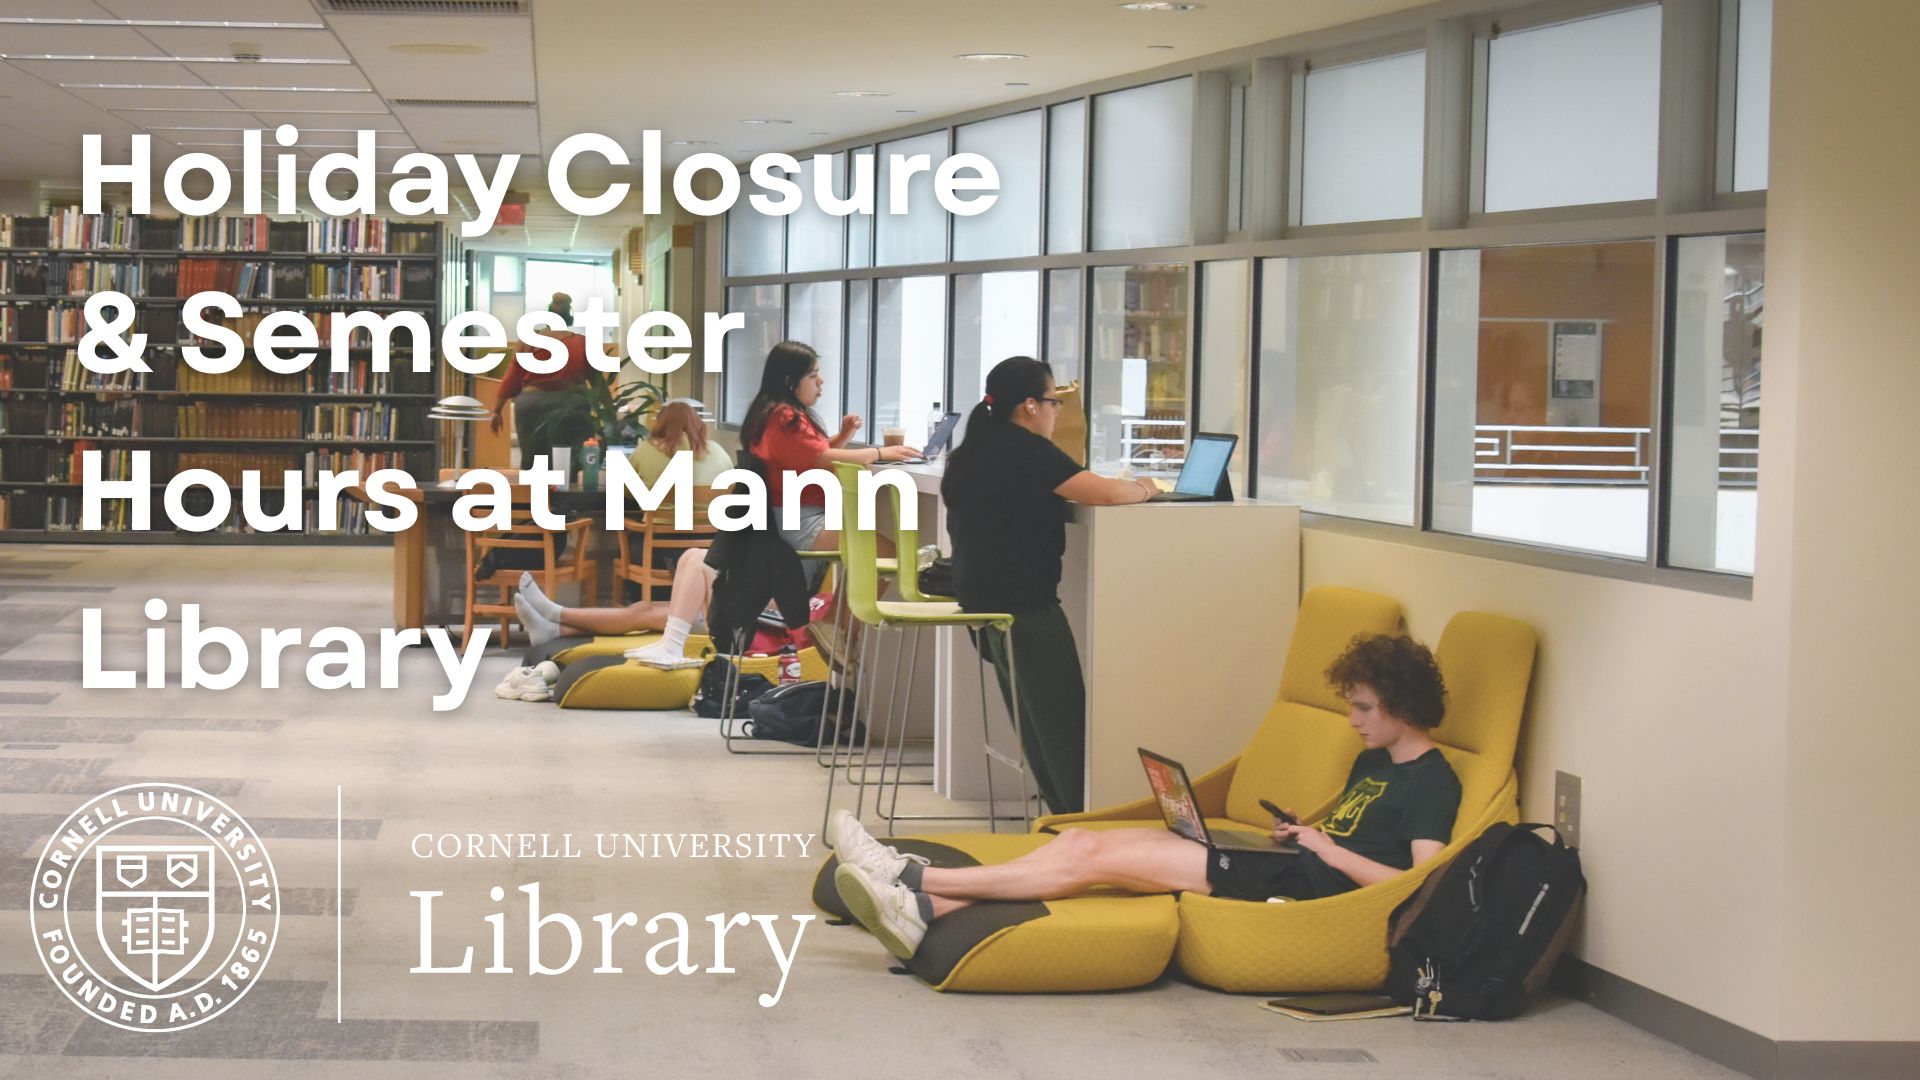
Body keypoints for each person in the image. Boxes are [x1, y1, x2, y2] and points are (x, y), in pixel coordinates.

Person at [830, 632, 1461, 962]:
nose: (1352, 719)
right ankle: (926, 909)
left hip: (1311, 890)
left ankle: (915, 880)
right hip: (1289, 862)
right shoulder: (1371, 760)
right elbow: (1349, 835)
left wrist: (1325, 850)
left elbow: (1421, 882)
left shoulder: (1434, 780)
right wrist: (1303, 833)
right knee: (1078, 839)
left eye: (1363, 708)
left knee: (1090, 865)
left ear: (1405, 707)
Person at [515, 341, 918, 666]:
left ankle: (558, 620)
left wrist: (846, 442)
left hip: (672, 549)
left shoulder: (764, 420)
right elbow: (811, 457)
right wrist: (878, 454)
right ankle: (557, 620)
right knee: (658, 602)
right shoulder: (754, 436)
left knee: (653, 606)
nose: (821, 382)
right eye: (814, 375)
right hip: (763, 550)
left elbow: (630, 492)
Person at [940, 356, 1158, 816]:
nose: (1058, 410)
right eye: (1053, 401)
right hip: (1025, 607)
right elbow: (1106, 493)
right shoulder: (1023, 450)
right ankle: (1079, 818)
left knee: (1037, 720)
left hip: (984, 603)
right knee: (1061, 722)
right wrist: (1146, 488)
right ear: (1029, 407)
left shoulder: (977, 447)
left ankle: (1063, 812)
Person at [491, 291, 592, 470]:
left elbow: (511, 378)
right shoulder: (583, 343)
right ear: (569, 317)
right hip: (572, 404)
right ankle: (569, 494)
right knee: (569, 462)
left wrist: (497, 411)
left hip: (532, 406)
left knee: (534, 462)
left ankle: (534, 496)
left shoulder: (528, 341)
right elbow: (598, 384)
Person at [627, 400, 734, 487]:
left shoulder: (646, 448)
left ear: (660, 423)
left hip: (658, 513)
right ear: (697, 423)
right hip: (711, 513)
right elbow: (732, 486)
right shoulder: (716, 449)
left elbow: (626, 490)